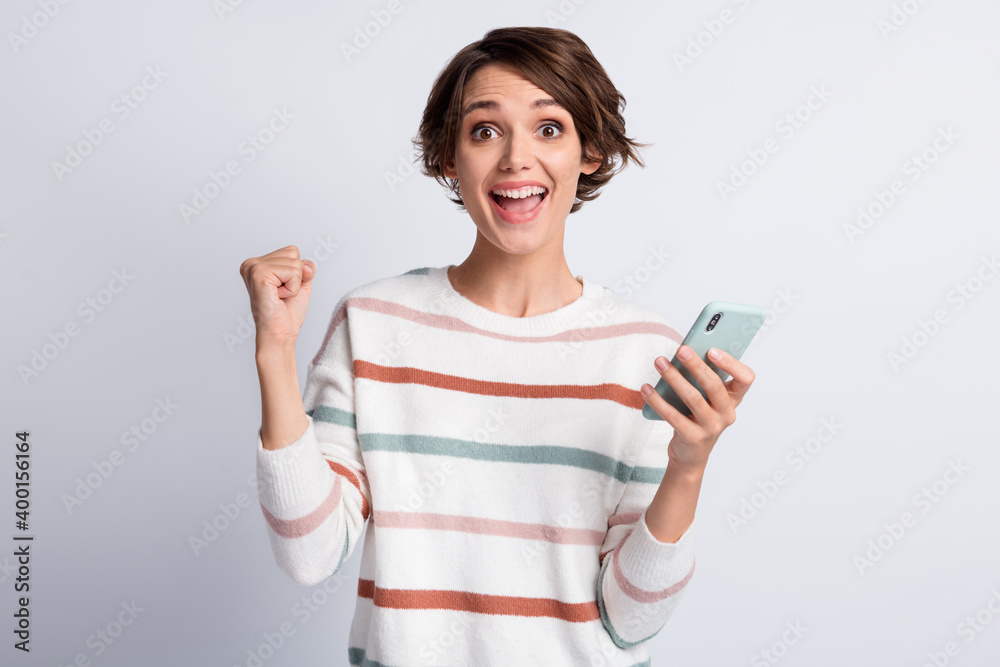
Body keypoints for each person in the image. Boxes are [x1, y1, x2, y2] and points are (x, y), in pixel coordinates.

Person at [239, 26, 755, 667]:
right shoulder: (373, 323)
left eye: (549, 128)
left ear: (588, 151)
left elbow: (632, 621)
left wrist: (688, 466)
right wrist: (274, 352)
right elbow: (308, 554)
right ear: (449, 158)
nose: (516, 158)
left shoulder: (643, 353)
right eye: (485, 130)